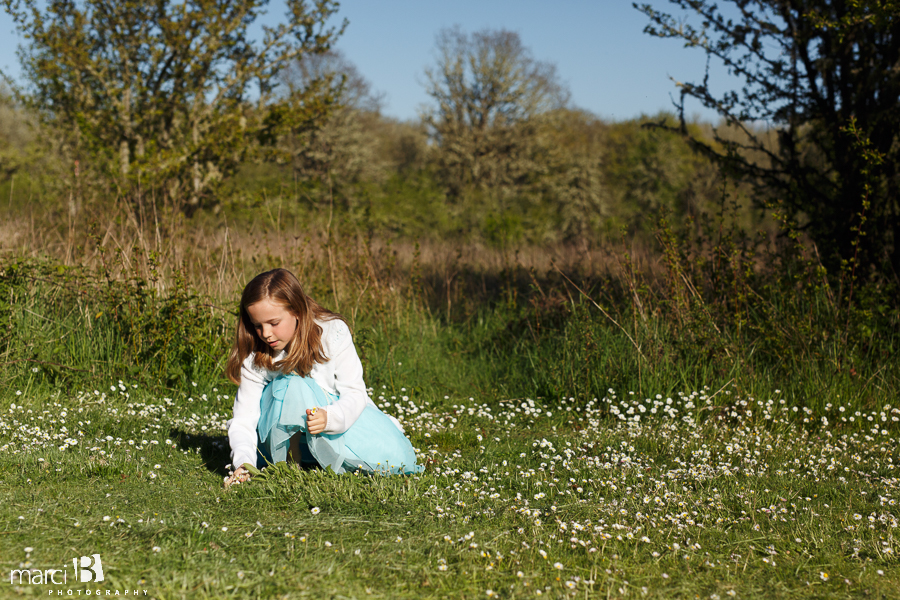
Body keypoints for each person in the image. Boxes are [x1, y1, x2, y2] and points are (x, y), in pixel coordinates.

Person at [223, 268, 422, 488]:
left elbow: (355, 393)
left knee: (393, 457)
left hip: (336, 422)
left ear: (297, 311)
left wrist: (330, 418)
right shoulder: (256, 356)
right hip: (279, 439)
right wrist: (243, 463)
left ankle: (322, 455)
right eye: (257, 326)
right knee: (291, 384)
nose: (266, 333)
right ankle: (291, 460)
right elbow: (244, 418)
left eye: (274, 323)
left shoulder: (332, 332)